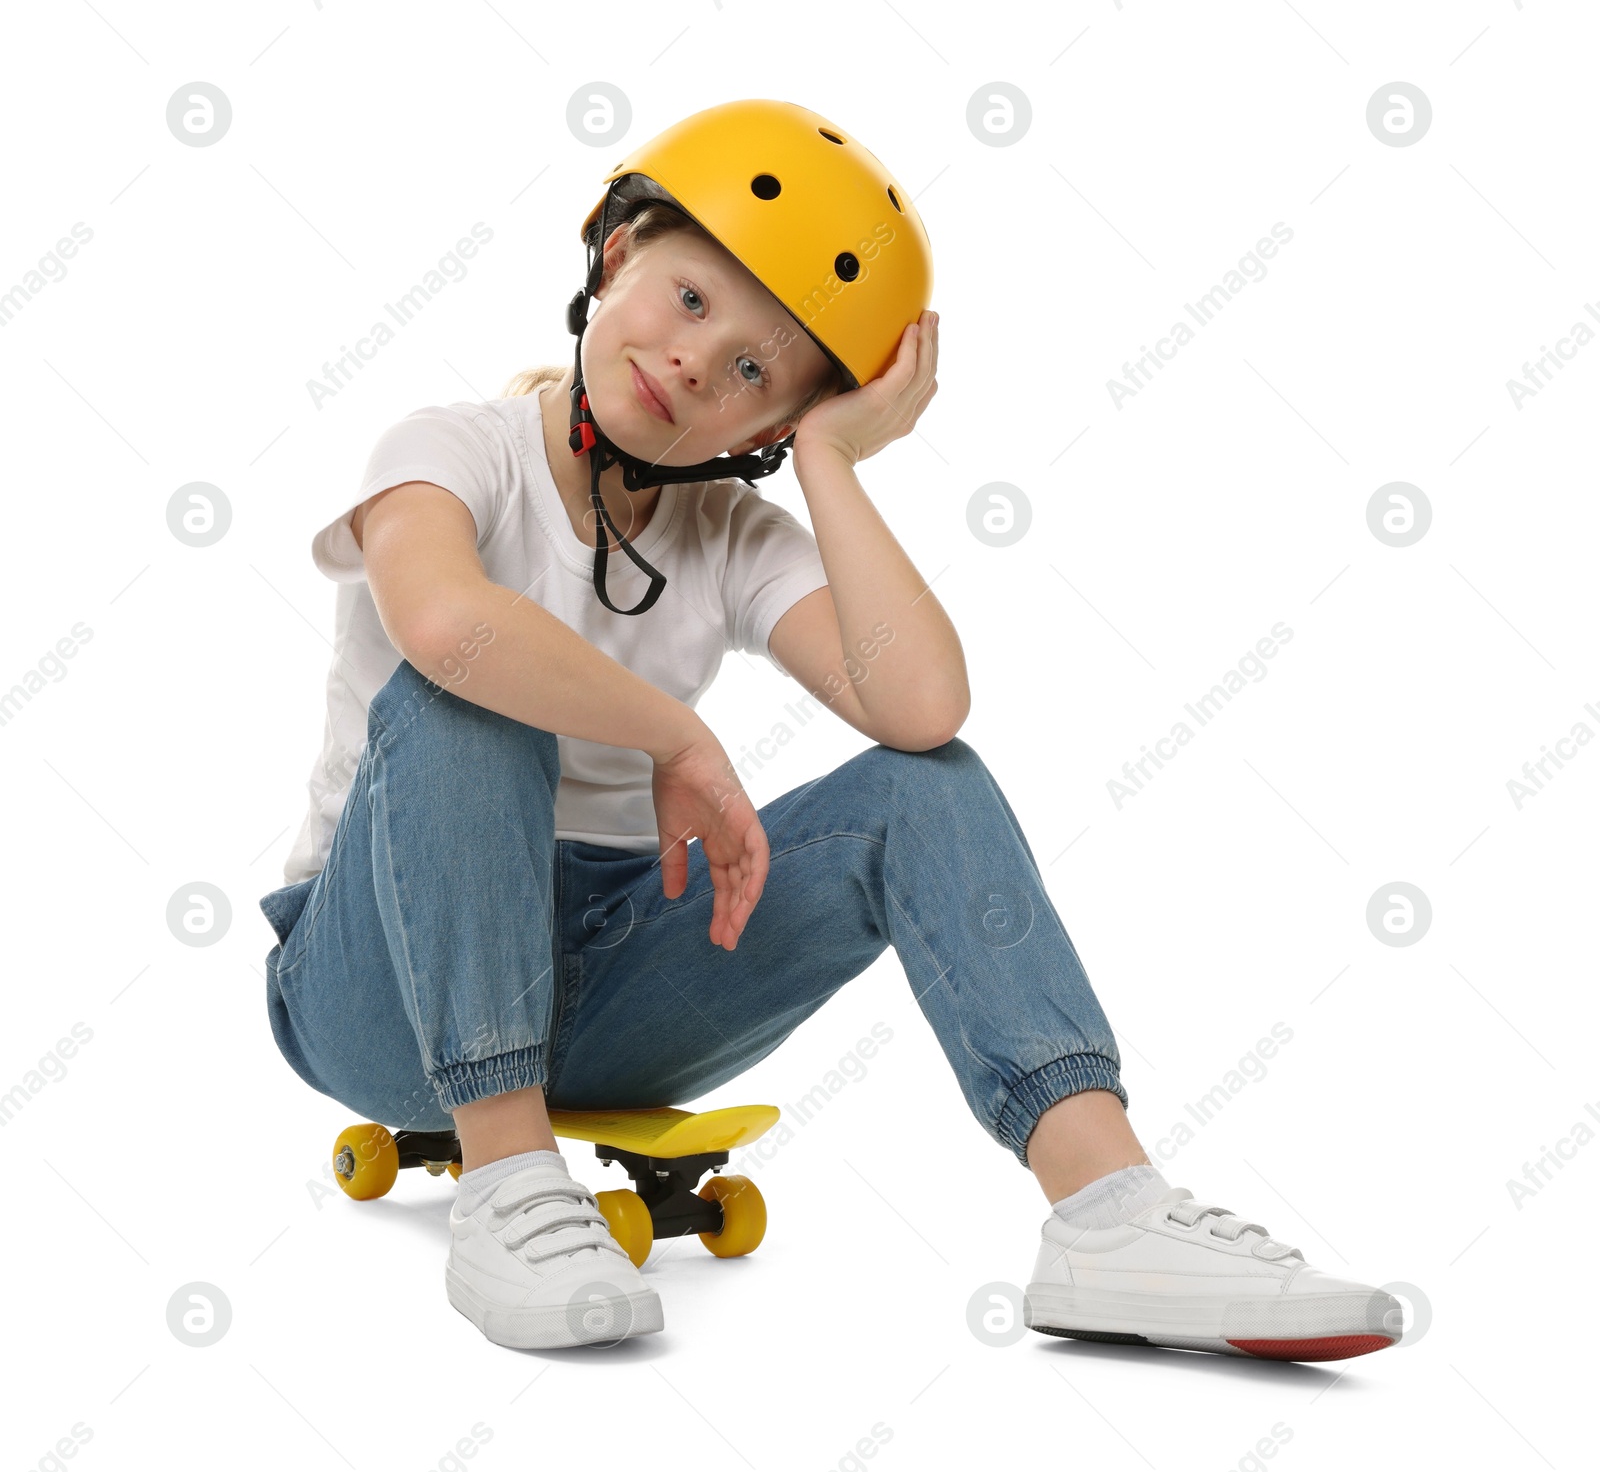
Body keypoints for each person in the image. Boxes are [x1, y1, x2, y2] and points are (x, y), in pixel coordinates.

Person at [258, 99, 1405, 1360]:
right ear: (613, 254)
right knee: (466, 692)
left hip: (606, 982)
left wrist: (831, 465)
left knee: (924, 783)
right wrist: (676, 741)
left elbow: (920, 705)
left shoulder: (729, 536)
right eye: (692, 300)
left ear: (762, 429)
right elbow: (441, 623)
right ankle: (513, 1189)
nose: (700, 361)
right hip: (377, 980)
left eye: (756, 371)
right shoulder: (448, 447)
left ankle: (1108, 1212)